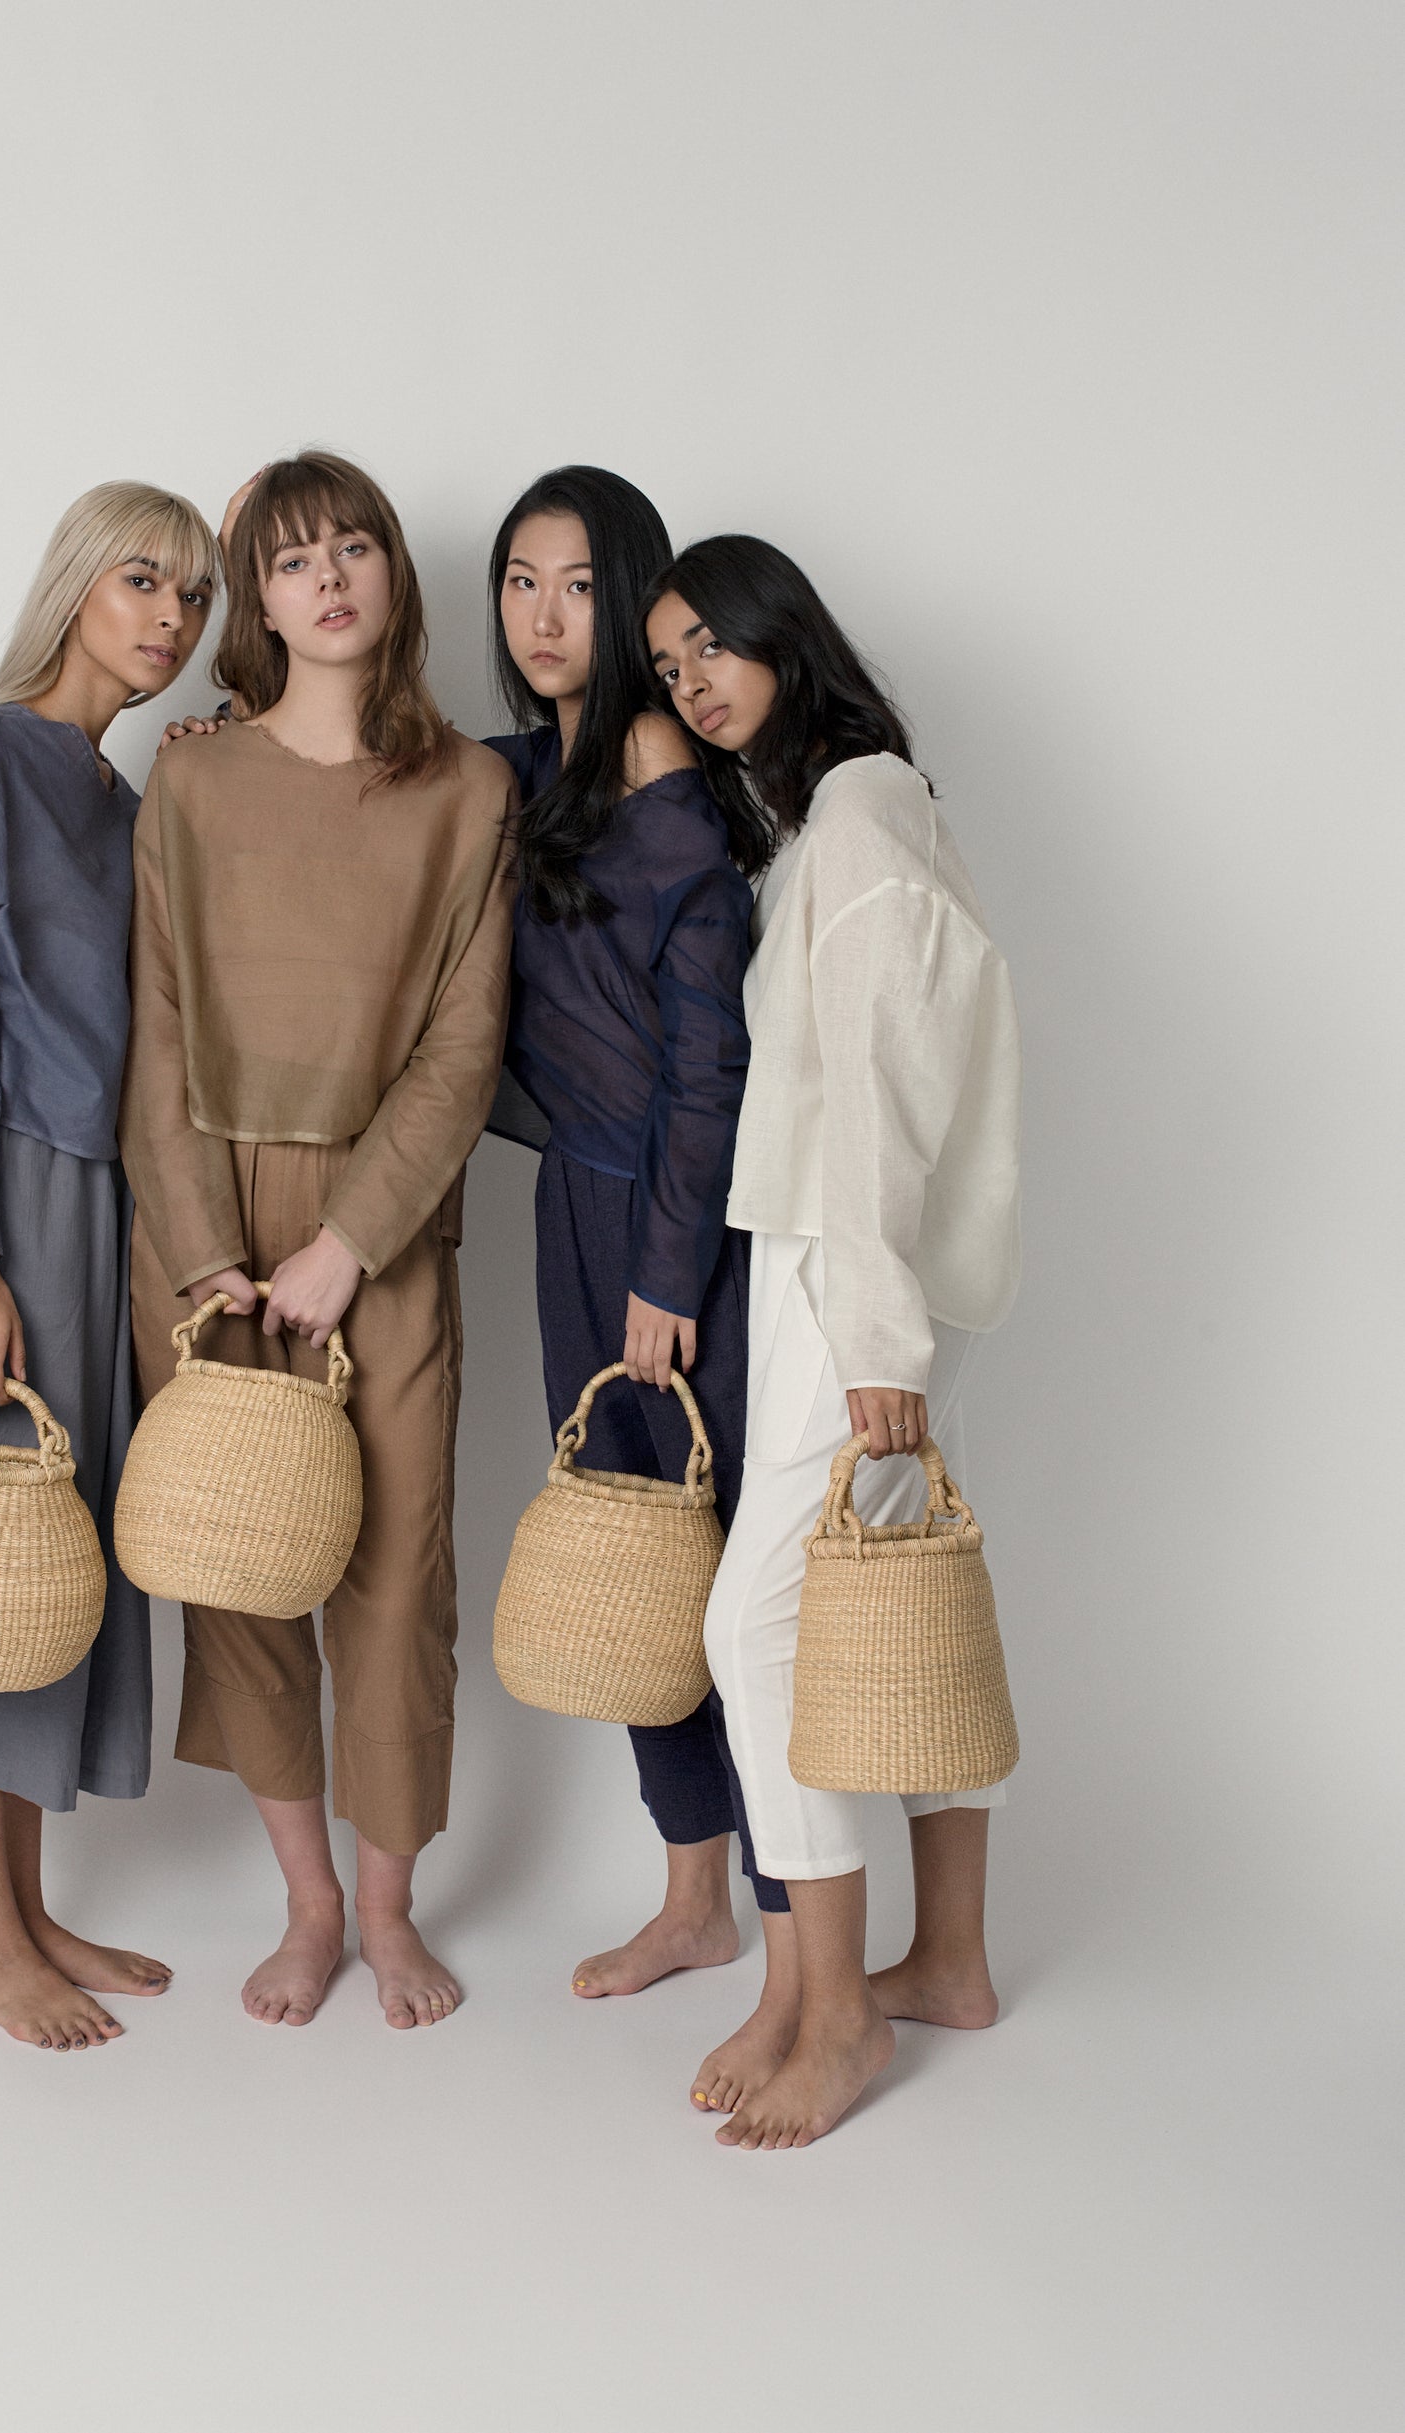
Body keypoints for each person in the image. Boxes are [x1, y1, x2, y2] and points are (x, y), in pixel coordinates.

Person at [120, 452, 516, 2031]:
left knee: (394, 1573)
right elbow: (154, 1037)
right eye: (289, 561)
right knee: (238, 1563)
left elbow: (464, 1046)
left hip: (388, 1224)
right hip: (209, 1217)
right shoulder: (192, 778)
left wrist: (351, 1241)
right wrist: (209, 1256)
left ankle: (387, 1910)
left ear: (391, 575)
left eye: (353, 546)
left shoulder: (471, 792)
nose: (328, 578)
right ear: (257, 599)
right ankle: (301, 1906)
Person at [646, 535, 1022, 2146]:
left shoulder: (857, 812)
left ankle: (838, 2002)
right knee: (896, 1602)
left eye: (707, 646)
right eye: (665, 668)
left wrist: (872, 1334)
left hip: (834, 1267)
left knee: (758, 1627)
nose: (691, 682)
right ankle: (939, 1959)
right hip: (854, 1264)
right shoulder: (849, 809)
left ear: (780, 633)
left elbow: (869, 1099)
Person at [0, 480, 219, 2050]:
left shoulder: (117, 795)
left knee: (45, 1545)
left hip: (96, 1205)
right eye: (144, 578)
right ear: (75, 583)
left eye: (195, 598)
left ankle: (29, 1904)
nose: (169, 618)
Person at [481, 468, 793, 2088]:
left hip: (677, 1232)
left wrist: (669, 1270)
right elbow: (381, 776)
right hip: (576, 1217)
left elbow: (709, 1066)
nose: (543, 616)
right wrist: (223, 723)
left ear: (637, 601)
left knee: (726, 1576)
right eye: (519, 582)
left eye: (580, 586)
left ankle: (785, 1920)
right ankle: (691, 1897)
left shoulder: (667, 794)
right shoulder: (534, 770)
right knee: (627, 1566)